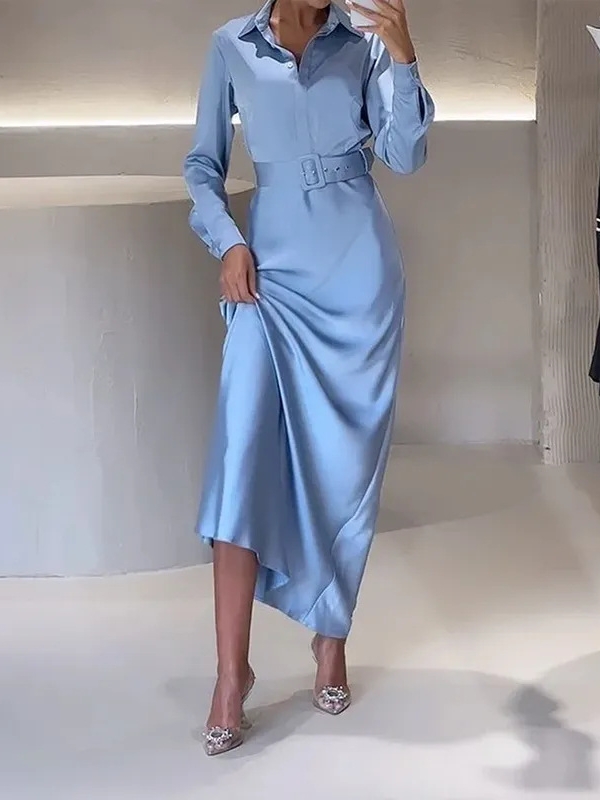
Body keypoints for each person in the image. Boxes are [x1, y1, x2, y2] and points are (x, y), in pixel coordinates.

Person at [184, 0, 434, 756]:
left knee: (339, 468)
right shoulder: (231, 45)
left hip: (357, 273)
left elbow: (405, 155)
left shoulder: (364, 40)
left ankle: (331, 636)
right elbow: (201, 165)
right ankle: (231, 673)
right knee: (239, 461)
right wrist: (227, 240)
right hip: (268, 275)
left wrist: (404, 56)